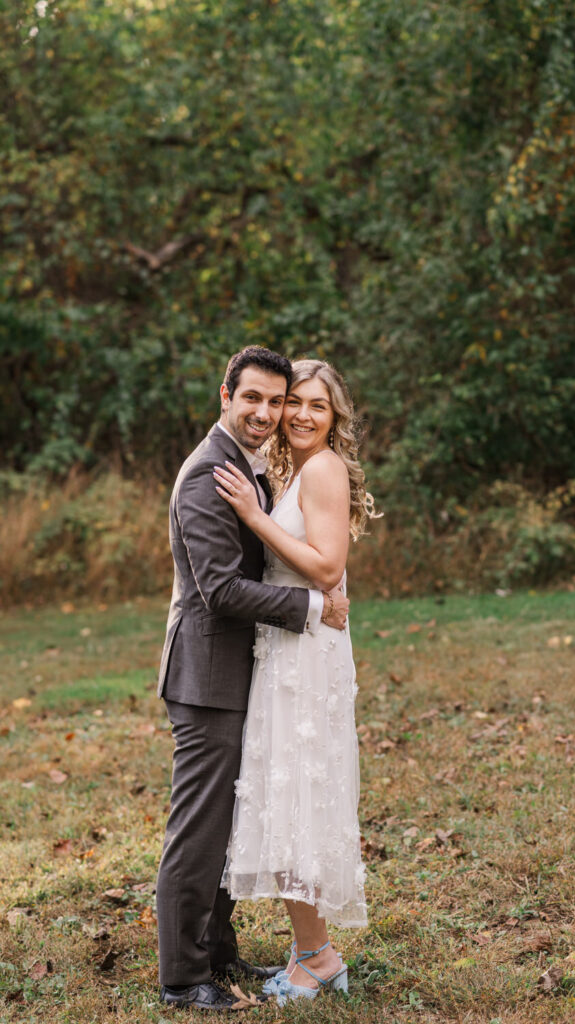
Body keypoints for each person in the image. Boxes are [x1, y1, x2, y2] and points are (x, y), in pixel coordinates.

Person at [156, 346, 350, 1013]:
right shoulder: (207, 473)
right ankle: (184, 977)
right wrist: (309, 606)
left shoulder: (255, 465)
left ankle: (218, 951)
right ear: (225, 396)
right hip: (205, 674)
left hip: (248, 669)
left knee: (229, 822)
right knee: (200, 830)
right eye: (256, 399)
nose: (268, 412)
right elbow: (216, 589)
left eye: (280, 399)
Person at [212, 358, 376, 1006]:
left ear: (334, 418)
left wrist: (254, 518)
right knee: (287, 804)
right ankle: (312, 951)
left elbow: (328, 565)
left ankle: (316, 958)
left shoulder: (324, 467)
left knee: (295, 807)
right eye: (295, 403)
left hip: (306, 657)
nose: (302, 415)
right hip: (288, 647)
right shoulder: (295, 470)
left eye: (317, 405)